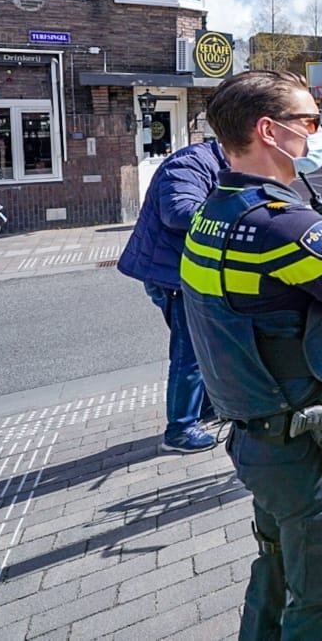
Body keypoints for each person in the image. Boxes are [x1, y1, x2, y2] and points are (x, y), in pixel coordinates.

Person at [179, 70, 322, 640]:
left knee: (277, 574)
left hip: (262, 436)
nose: (316, 133)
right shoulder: (283, 225)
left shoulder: (215, 213)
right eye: (309, 121)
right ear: (268, 131)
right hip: (314, 450)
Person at [117, 137, 230, 453]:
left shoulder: (221, 164)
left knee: (206, 346)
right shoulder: (190, 163)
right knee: (190, 352)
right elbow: (179, 212)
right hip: (173, 276)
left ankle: (207, 408)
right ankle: (180, 429)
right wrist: (237, 216)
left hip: (189, 272)